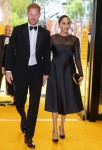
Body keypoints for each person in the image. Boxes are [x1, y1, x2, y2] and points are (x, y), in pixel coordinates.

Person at [5, 3, 50, 148]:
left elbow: (46, 55)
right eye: (31, 14)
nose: (33, 17)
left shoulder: (45, 33)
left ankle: (29, 135)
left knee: (35, 104)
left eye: (36, 14)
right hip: (20, 71)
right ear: (27, 14)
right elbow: (10, 52)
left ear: (39, 15)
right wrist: (8, 70)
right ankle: (23, 118)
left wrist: (46, 73)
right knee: (19, 102)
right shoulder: (18, 30)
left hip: (37, 72)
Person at [45, 15, 84, 142]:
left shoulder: (75, 40)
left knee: (65, 98)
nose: (66, 26)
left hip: (69, 72)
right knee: (56, 98)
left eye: (68, 23)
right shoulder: (52, 39)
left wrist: (81, 73)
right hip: (55, 70)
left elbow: (77, 58)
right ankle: (55, 129)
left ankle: (62, 126)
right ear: (59, 24)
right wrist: (45, 73)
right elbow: (46, 57)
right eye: (63, 23)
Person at [1, 25, 15, 104]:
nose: (6, 31)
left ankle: (14, 100)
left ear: (11, 31)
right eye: (5, 30)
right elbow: (4, 53)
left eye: (8, 30)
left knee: (12, 82)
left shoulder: (13, 39)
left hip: (11, 65)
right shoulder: (3, 38)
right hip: (4, 63)